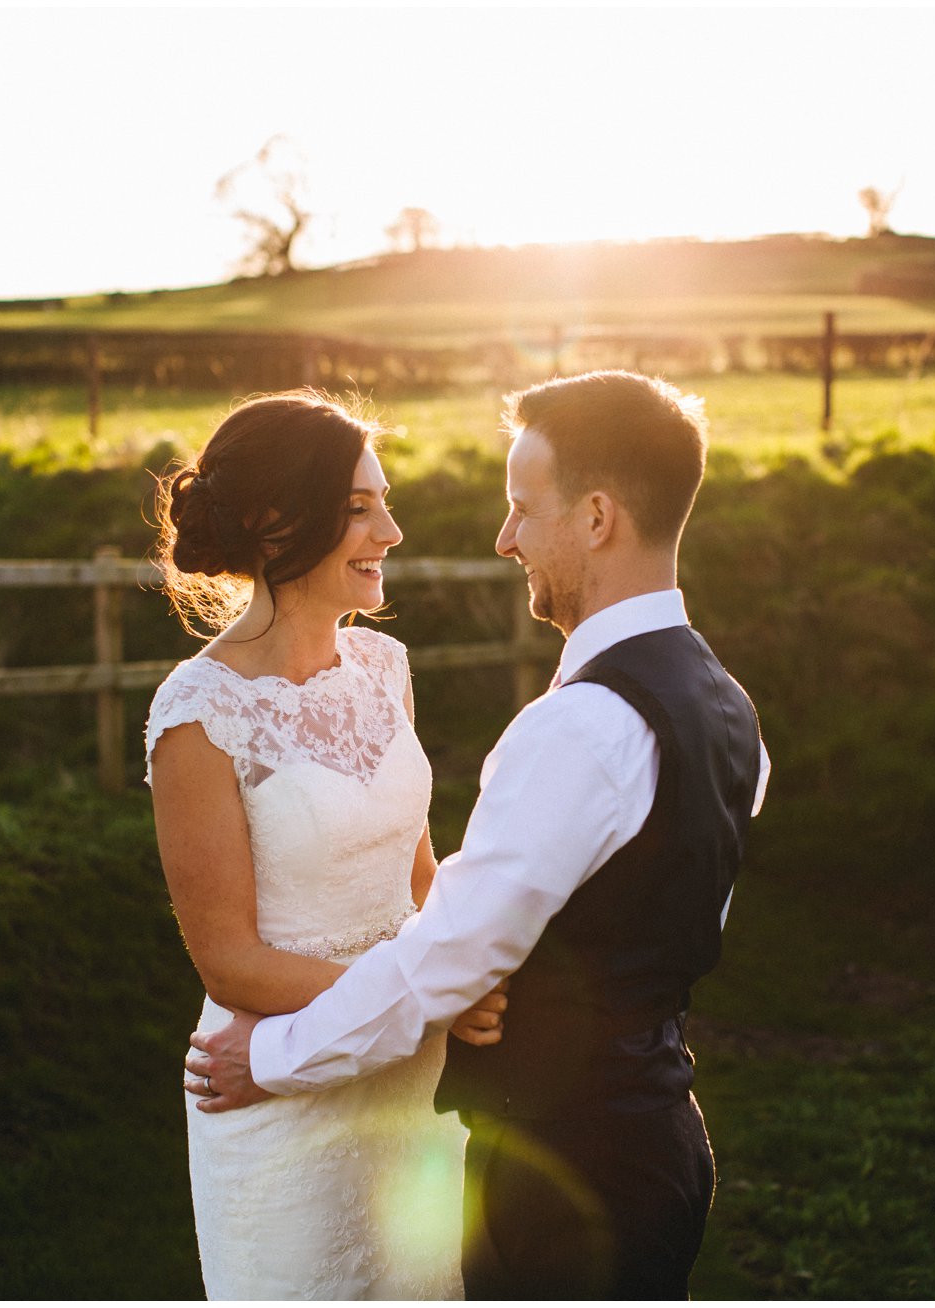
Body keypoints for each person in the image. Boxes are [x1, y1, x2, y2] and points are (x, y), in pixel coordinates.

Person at [184, 370, 770, 1299]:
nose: (504, 540)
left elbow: (448, 955)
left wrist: (269, 1057)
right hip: (661, 1141)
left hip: (564, 1169)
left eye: (521, 510)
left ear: (596, 517)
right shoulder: (727, 707)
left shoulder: (577, 727)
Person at [143, 391, 506, 1300]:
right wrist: (428, 997)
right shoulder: (198, 711)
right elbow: (231, 962)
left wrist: (465, 975)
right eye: (358, 507)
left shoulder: (384, 669)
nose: (390, 528)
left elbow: (416, 876)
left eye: (382, 500)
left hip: (414, 1084)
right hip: (282, 1090)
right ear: (274, 522)